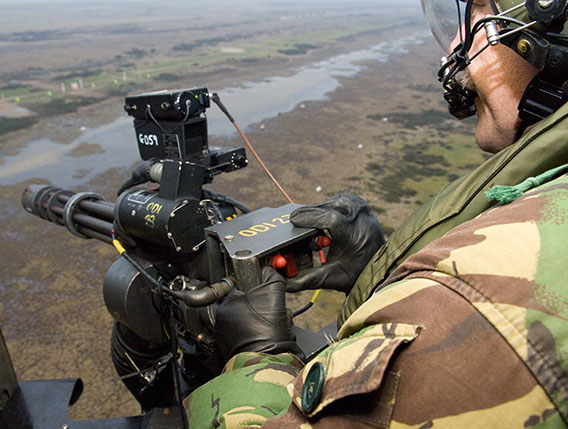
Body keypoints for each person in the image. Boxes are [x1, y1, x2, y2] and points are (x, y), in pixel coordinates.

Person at [185, 0, 568, 426]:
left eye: (476, 18)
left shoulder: (483, 302)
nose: (455, 46)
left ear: (549, 31)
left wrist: (255, 357)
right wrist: (385, 273)